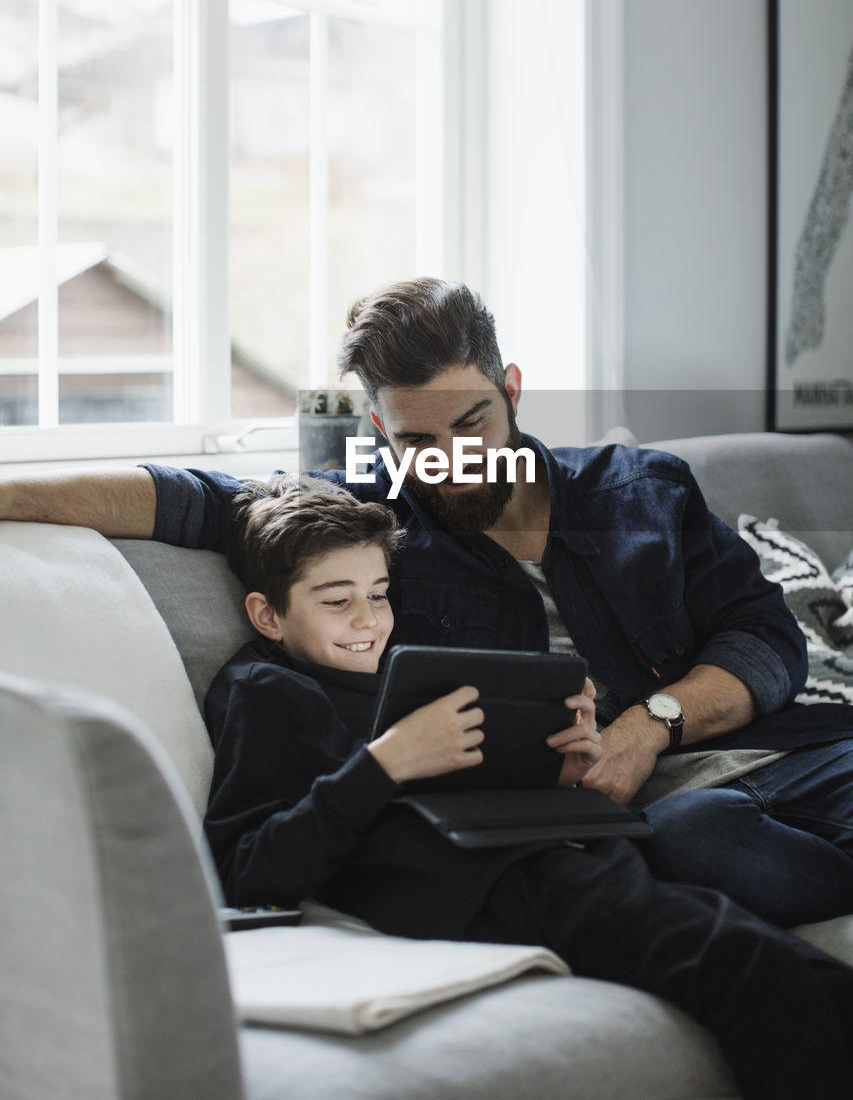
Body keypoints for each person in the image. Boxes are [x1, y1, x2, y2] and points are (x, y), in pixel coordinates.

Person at [3, 276, 853, 924]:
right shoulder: (374, 525)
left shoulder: (642, 490)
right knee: (696, 836)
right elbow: (184, 496)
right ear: (378, 431)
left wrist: (648, 726)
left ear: (512, 389)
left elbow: (764, 639)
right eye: (416, 439)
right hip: (663, 815)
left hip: (788, 754)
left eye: (471, 423)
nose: (451, 461)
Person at [206, 471, 853, 1100]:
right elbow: (252, 868)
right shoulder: (265, 691)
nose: (367, 619)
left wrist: (558, 767)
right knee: (745, 967)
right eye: (336, 600)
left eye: (378, 594)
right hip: (491, 888)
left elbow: (465, 782)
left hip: (565, 848)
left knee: (803, 971)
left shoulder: (404, 672)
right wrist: (386, 762)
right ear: (267, 615)